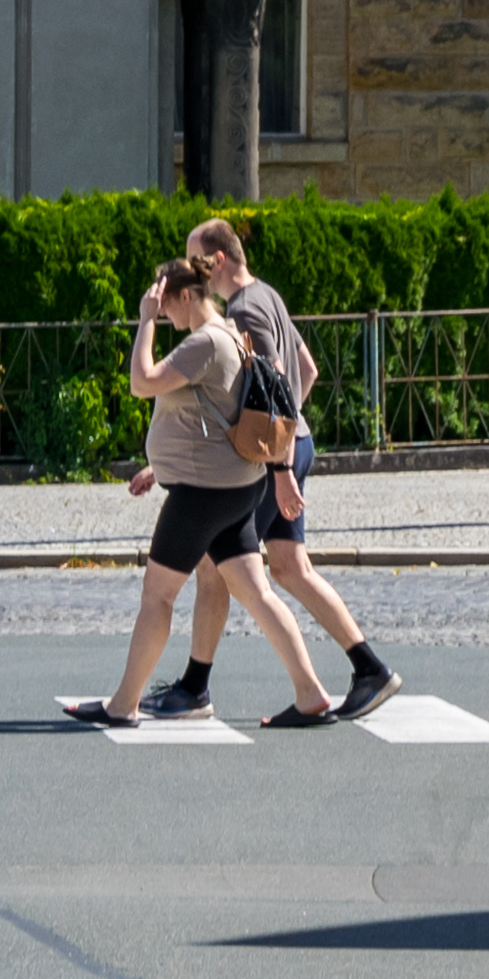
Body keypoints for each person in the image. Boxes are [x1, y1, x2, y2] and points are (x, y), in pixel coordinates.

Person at [66, 257, 336, 733]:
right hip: (235, 488)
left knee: (157, 596)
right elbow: (204, 417)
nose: (164, 312)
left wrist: (144, 320)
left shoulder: (206, 342)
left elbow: (140, 383)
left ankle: (124, 704)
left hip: (201, 495)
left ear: (185, 296)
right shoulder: (233, 334)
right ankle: (310, 692)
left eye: (165, 303)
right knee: (256, 593)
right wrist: (160, 465)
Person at [151, 217, 392, 720]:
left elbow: (277, 381)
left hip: (273, 460)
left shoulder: (242, 310)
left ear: (216, 261)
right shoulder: (269, 295)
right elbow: (308, 369)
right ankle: (369, 668)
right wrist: (289, 437)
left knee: (217, 568)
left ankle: (196, 687)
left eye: (195, 260)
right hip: (291, 446)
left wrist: (276, 460)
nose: (191, 273)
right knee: (288, 568)